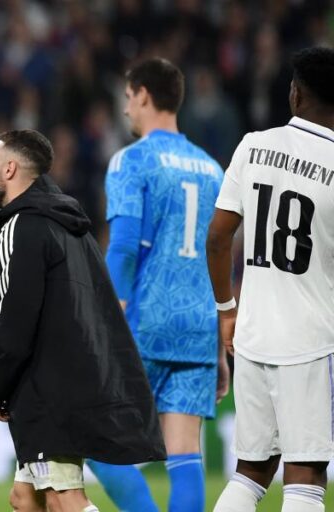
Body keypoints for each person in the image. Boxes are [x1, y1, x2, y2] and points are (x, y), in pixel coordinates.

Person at [0, 129, 165, 512]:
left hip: (48, 388)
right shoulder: (68, 225)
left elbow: (13, 321)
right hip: (75, 375)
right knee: (24, 498)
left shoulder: (20, 227)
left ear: (9, 169)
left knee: (66, 502)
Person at [91, 57, 226, 512]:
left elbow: (125, 246)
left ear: (144, 95)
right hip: (198, 327)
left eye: (128, 98)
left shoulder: (132, 161)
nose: (126, 109)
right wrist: (217, 344)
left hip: (144, 320)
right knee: (185, 453)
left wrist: (108, 319)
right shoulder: (212, 170)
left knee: (95, 437)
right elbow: (219, 254)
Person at [209, 46, 334, 512]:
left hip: (253, 334)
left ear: (296, 94)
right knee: (305, 478)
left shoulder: (253, 146)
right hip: (311, 342)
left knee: (252, 472)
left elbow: (219, 239)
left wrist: (227, 311)